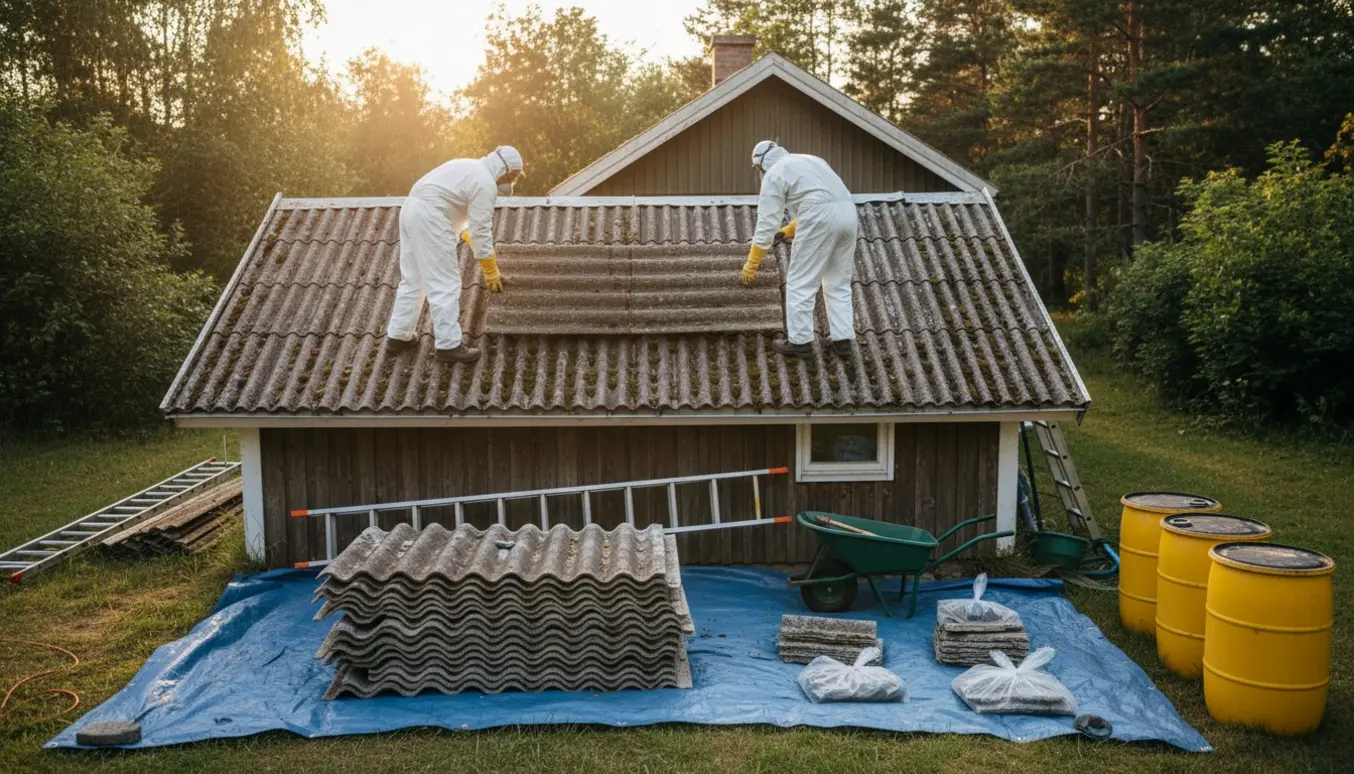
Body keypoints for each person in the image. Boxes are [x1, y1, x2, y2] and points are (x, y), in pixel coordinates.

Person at [385, 146, 524, 363]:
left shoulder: (468, 166)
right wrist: (490, 270)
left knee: (413, 279)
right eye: (513, 176)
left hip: (411, 211)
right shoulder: (485, 183)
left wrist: (472, 241)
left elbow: (466, 225)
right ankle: (448, 346)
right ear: (504, 169)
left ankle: (398, 336)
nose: (513, 183)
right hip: (431, 216)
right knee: (445, 282)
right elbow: (480, 229)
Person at [740, 140, 857, 359]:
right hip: (849, 214)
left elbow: (767, 221)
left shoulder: (775, 173)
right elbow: (824, 201)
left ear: (762, 163)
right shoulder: (812, 160)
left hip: (820, 218)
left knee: (800, 282)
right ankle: (842, 341)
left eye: (758, 168)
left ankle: (800, 341)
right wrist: (787, 231)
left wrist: (752, 262)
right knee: (838, 282)